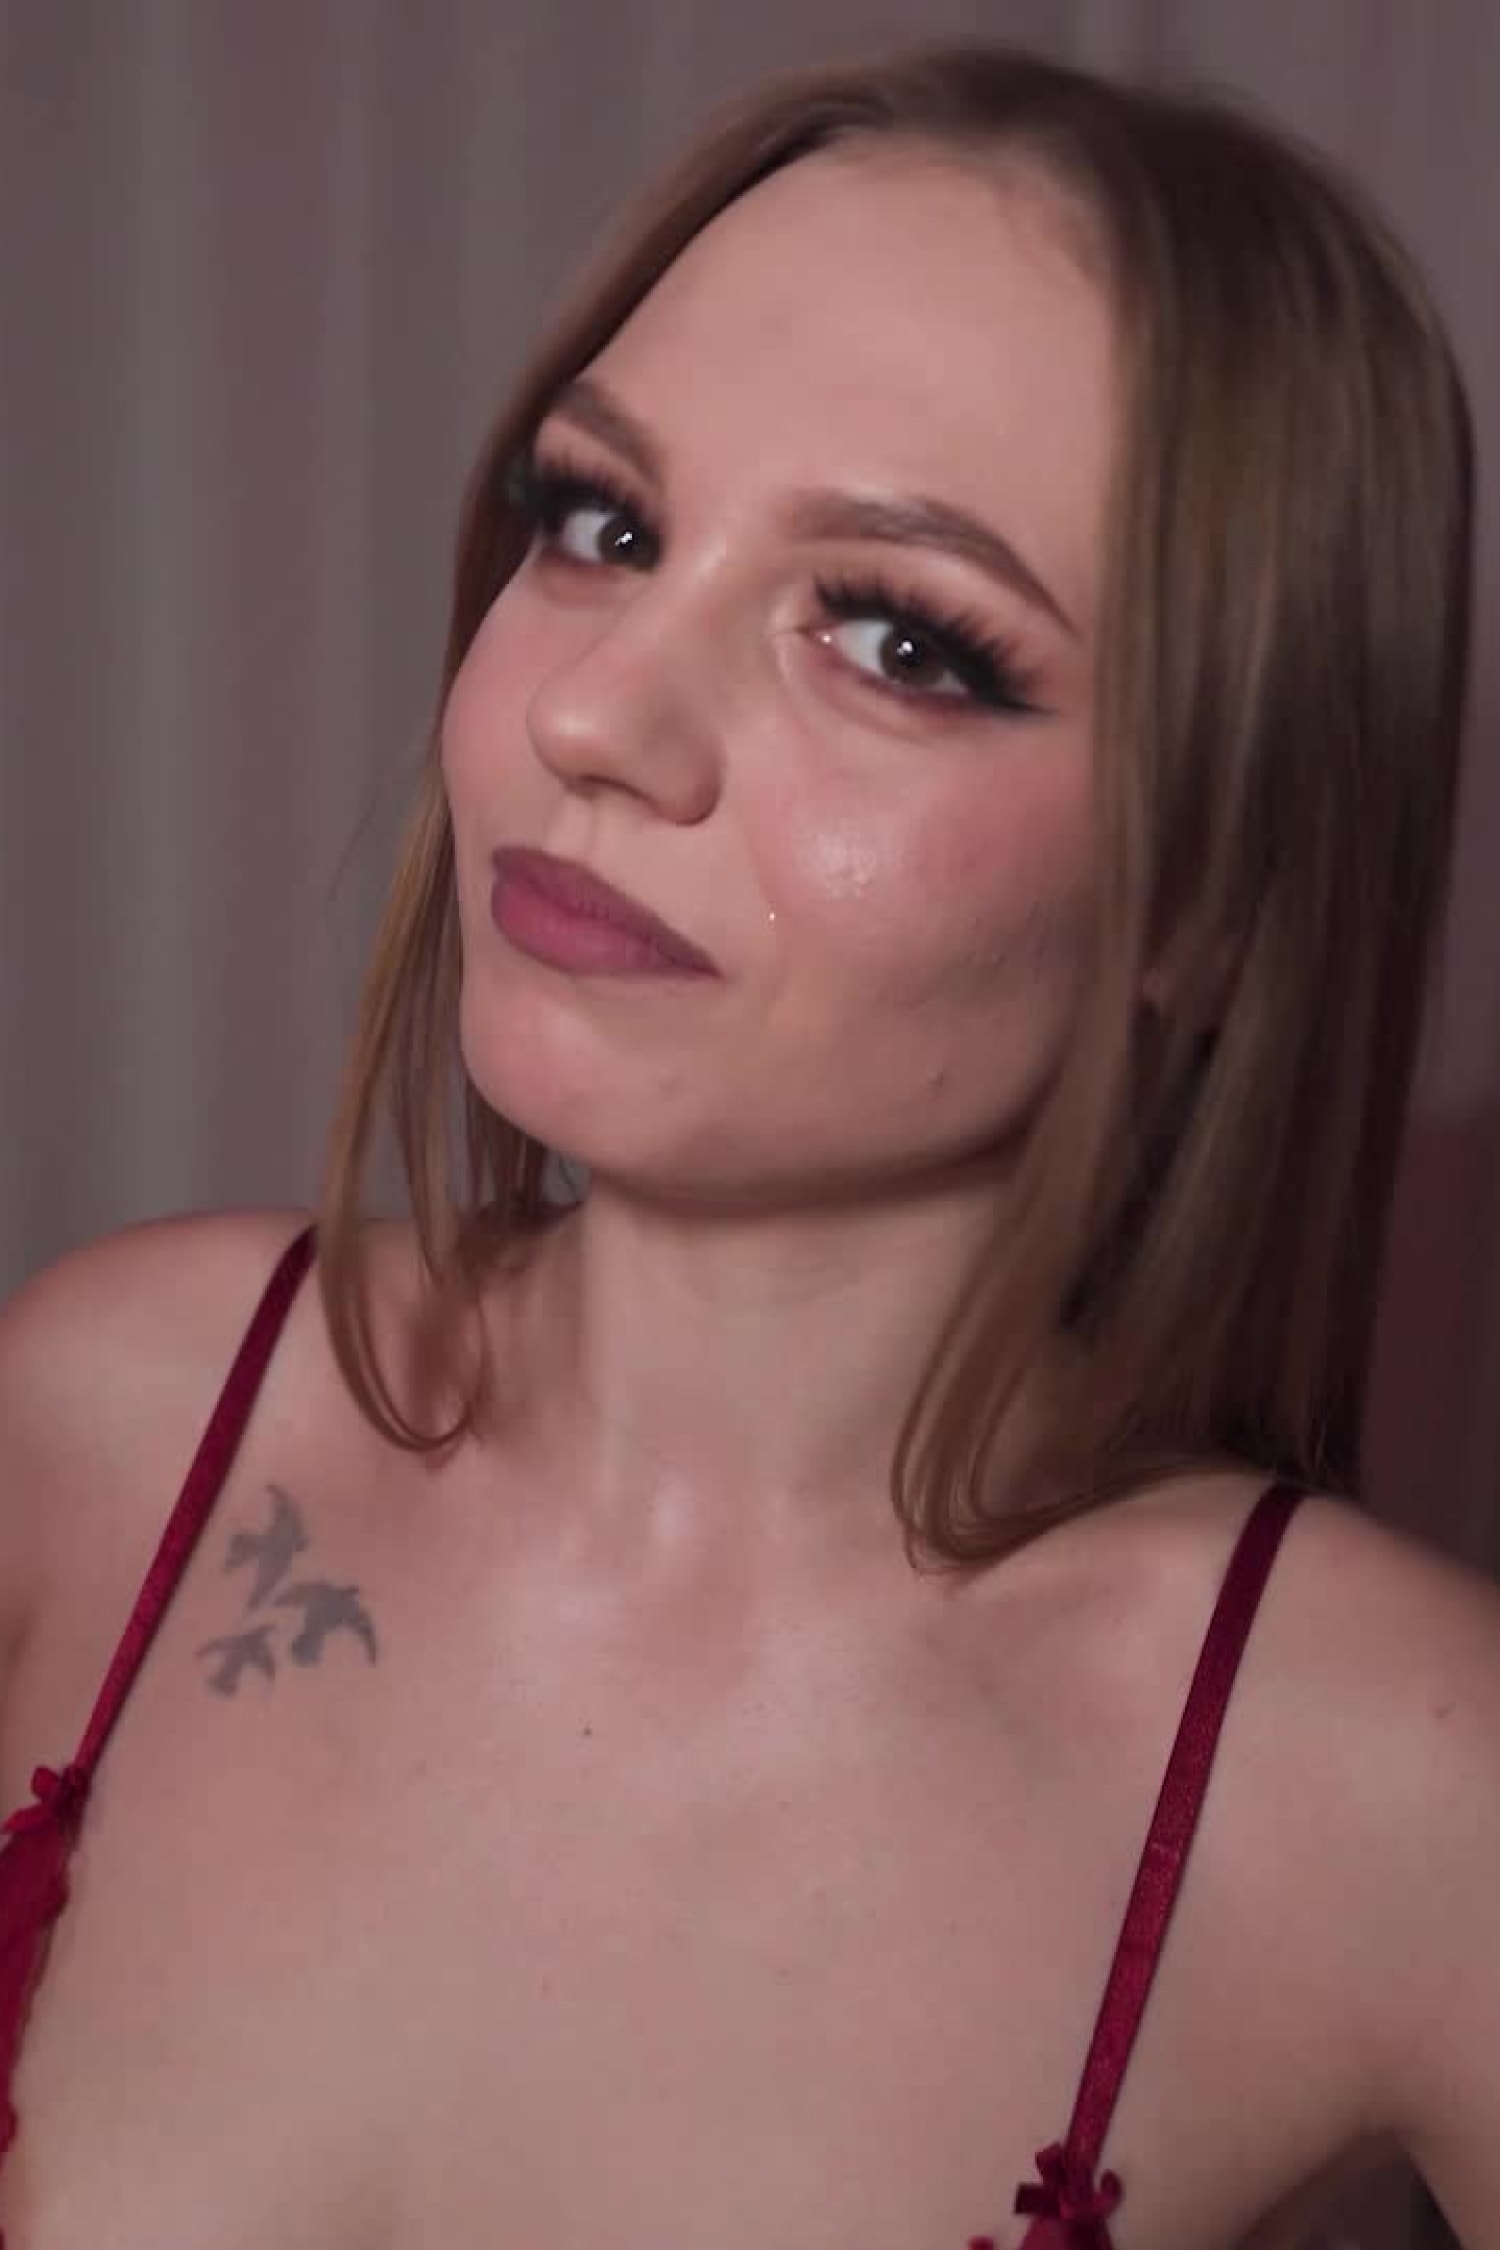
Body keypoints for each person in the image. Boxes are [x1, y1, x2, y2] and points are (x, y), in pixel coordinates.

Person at [0, 37, 1495, 2250]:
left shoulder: (1389, 1784)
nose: (593, 711)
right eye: (602, 525)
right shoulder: (112, 1422)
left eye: (897, 638)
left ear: (1215, 889)